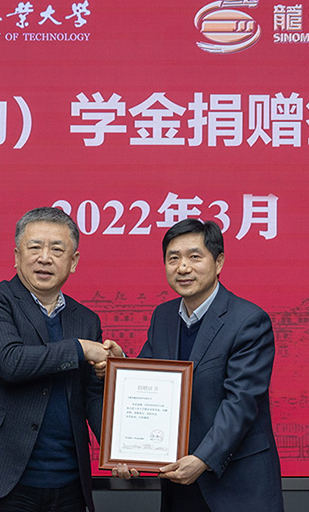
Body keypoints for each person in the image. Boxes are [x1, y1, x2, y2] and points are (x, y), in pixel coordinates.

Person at [110, 218, 283, 512]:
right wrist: (121, 364)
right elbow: (149, 382)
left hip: (236, 483)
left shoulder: (248, 321)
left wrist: (203, 458)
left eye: (194, 256)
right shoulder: (163, 316)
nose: (183, 267)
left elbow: (241, 402)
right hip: (179, 480)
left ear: (219, 262)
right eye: (173, 258)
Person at [0, 207, 112, 512]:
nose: (45, 258)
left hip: (69, 482)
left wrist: (118, 448)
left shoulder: (86, 319)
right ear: (17, 255)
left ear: (73, 261)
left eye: (57, 249)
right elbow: (10, 363)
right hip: (2, 481)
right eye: (35, 247)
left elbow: (92, 395)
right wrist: (80, 349)